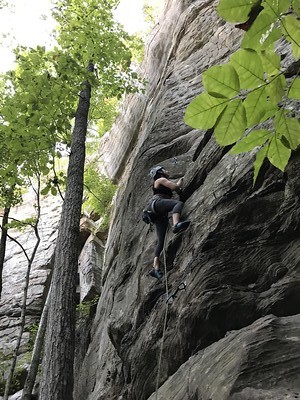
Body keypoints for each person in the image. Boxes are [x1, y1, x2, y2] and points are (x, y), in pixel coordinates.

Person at [148, 166, 190, 280]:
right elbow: (175, 187)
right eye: (164, 169)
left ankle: (155, 267)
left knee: (161, 241)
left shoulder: (160, 182)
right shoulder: (160, 180)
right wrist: (179, 185)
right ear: (160, 172)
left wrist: (178, 183)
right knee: (178, 204)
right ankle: (176, 224)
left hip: (157, 212)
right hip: (157, 204)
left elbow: (173, 186)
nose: (167, 171)